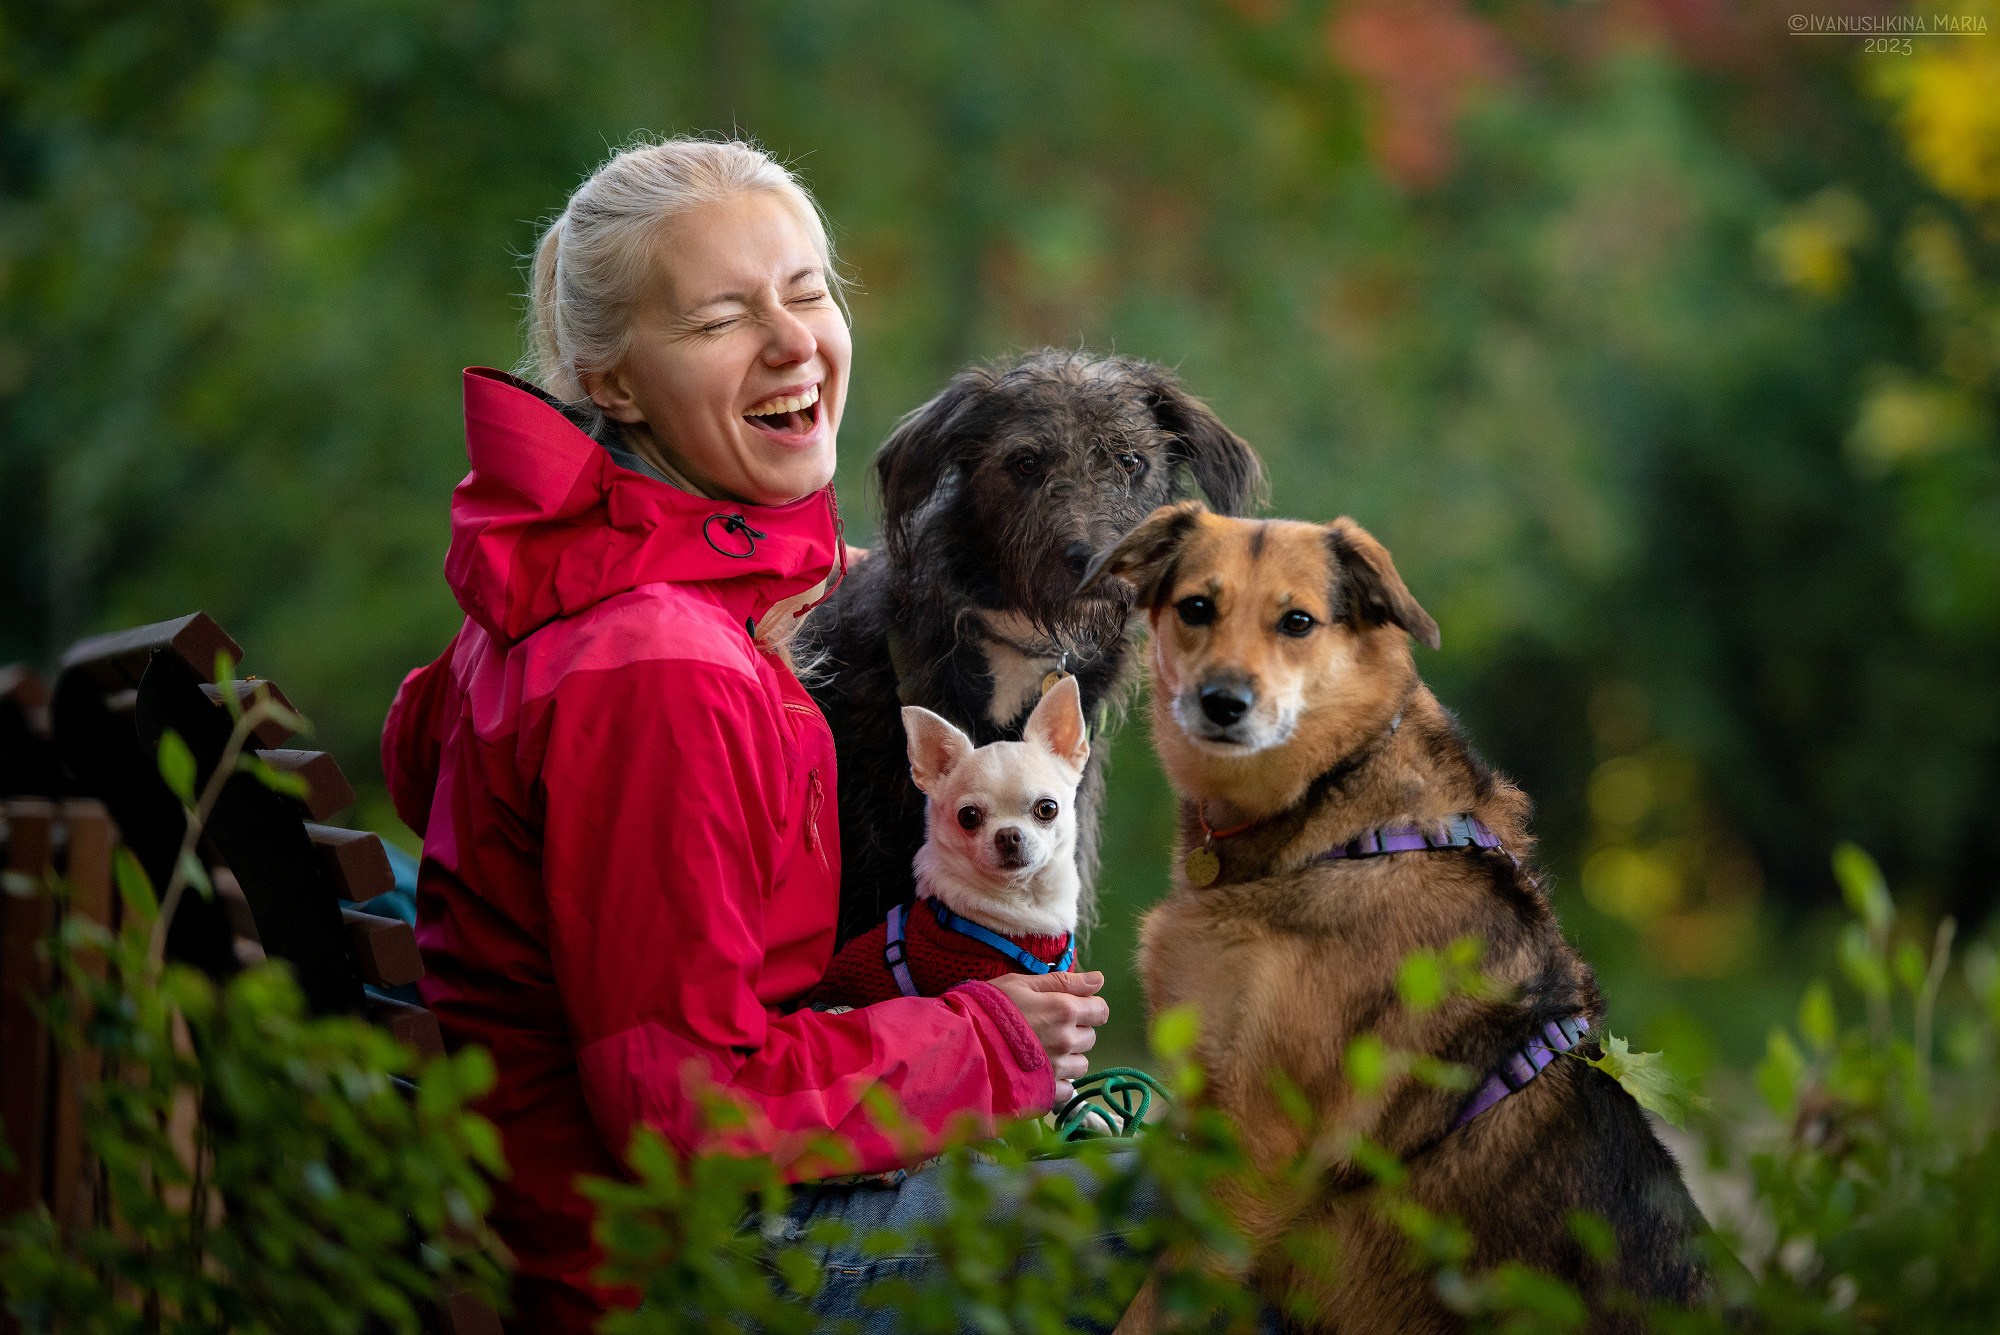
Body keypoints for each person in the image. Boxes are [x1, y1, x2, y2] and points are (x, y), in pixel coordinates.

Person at [381, 137, 1112, 1333]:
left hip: (621, 1225)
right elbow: (686, 1112)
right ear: (613, 382)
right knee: (1232, 1223)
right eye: (721, 318)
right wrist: (985, 1041)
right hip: (679, 1269)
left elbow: (427, 761)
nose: (790, 343)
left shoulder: (581, 586)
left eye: (808, 292)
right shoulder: (659, 669)